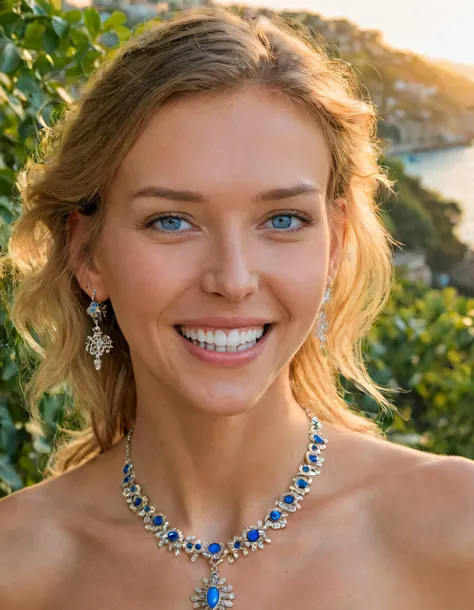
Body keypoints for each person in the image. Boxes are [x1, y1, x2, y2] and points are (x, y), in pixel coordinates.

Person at [0, 6, 473, 610]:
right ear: (89, 255)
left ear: (335, 245)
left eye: (282, 219)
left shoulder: (459, 529)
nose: (233, 279)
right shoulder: (15, 566)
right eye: (171, 221)